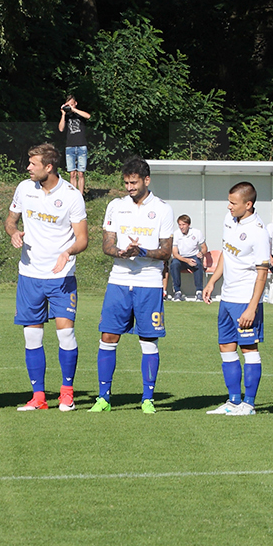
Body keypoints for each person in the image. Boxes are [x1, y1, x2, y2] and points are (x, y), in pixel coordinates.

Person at [5, 142, 89, 410]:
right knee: (32, 338)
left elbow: (83, 239)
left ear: (49, 167)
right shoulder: (24, 188)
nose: (28, 168)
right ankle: (38, 397)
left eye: (33, 164)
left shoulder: (73, 195)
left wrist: (68, 252)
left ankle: (67, 393)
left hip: (61, 276)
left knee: (66, 335)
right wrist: (13, 232)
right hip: (29, 275)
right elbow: (10, 220)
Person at [93, 158, 174, 413]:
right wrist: (121, 252)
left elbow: (166, 251)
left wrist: (142, 251)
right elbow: (106, 245)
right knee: (108, 336)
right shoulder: (116, 206)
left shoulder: (163, 209)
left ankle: (148, 399)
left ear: (146, 180)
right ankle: (103, 398)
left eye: (134, 182)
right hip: (119, 280)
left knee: (148, 340)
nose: (129, 187)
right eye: (126, 183)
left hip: (149, 283)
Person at [201, 182, 268, 416]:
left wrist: (252, 308)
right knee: (226, 347)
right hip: (227, 298)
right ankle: (233, 402)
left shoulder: (259, 232)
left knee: (248, 349)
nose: (229, 206)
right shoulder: (229, 220)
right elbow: (226, 256)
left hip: (245, 300)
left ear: (248, 205)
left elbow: (262, 273)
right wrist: (212, 282)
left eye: (233, 202)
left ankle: (249, 404)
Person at [57, 94, 91, 195]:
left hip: (81, 145)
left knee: (80, 173)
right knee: (72, 174)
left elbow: (88, 116)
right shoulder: (66, 116)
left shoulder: (80, 114)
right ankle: (73, 195)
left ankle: (80, 195)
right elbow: (61, 128)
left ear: (75, 103)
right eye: (68, 104)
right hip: (70, 146)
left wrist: (73, 109)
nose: (70, 106)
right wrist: (63, 114)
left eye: (72, 104)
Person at [167, 215, 206, 301]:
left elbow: (204, 247)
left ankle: (199, 292)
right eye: (180, 225)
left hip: (193, 256)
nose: (181, 227)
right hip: (181, 258)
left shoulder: (197, 232)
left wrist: (201, 253)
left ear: (188, 224)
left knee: (198, 264)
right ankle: (177, 292)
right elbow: (175, 254)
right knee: (174, 264)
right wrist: (187, 260)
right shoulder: (176, 234)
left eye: (183, 224)